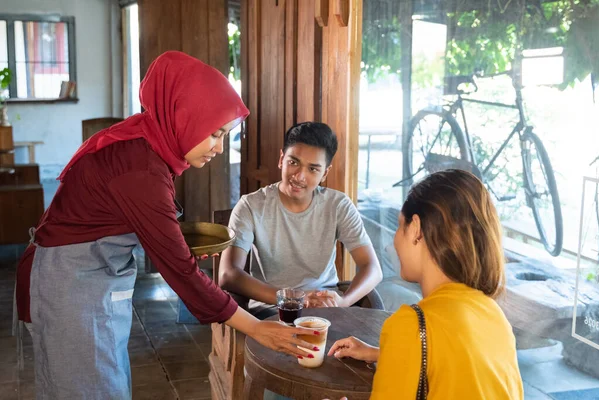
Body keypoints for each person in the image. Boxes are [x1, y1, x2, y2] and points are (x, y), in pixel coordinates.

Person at [14, 51, 319, 399]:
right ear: (183, 116)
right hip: (71, 289)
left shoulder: (148, 143)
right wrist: (255, 327)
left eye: (225, 136)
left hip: (85, 282)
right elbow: (181, 273)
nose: (219, 148)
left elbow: (132, 221)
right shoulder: (141, 169)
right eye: (215, 134)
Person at [328, 169, 524, 399]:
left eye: (400, 226)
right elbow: (454, 367)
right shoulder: (494, 316)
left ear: (416, 230)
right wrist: (384, 354)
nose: (394, 241)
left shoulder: (412, 325)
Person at [218, 122, 383, 318]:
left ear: (325, 173)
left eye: (313, 169)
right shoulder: (250, 206)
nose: (300, 176)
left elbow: (372, 268)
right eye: (293, 162)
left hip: (327, 309)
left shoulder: (338, 205)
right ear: (281, 159)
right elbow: (228, 275)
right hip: (272, 309)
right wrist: (296, 298)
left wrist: (344, 301)